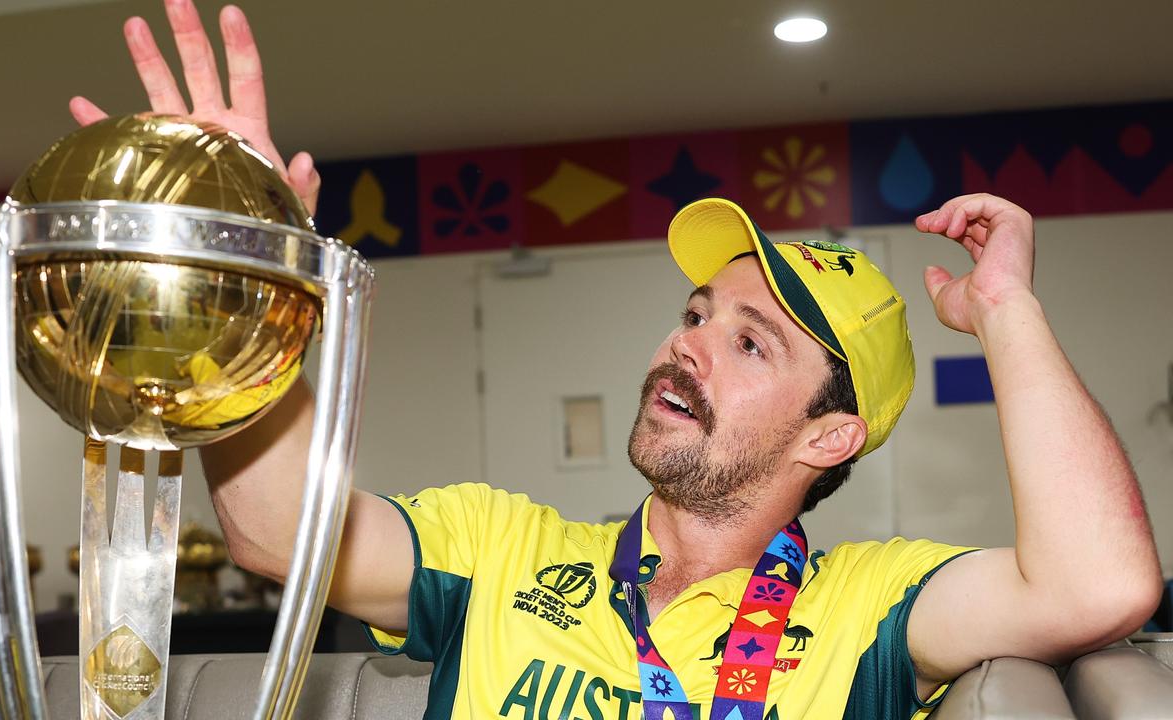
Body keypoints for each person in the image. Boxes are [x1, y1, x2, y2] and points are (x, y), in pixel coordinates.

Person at [71, 2, 1163, 718]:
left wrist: (1007, 309)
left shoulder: (877, 604)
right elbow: (274, 535)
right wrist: (248, 274)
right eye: (693, 311)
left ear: (829, 434)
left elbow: (1101, 583)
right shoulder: (499, 545)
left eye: (747, 342)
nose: (684, 341)